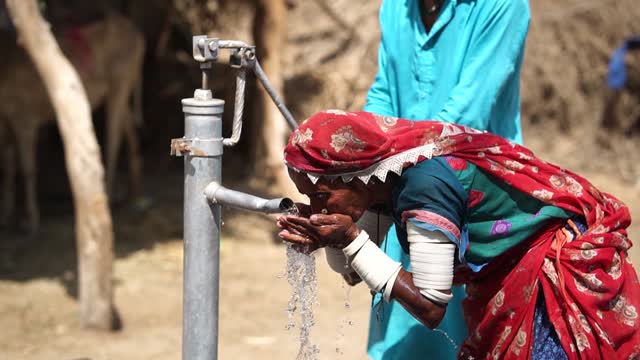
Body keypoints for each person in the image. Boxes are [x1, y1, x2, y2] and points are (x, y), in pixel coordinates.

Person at [277, 110, 640, 359]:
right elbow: (355, 274)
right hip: (510, 268)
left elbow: (431, 306)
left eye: (321, 196)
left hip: (551, 277)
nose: (316, 206)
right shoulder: (381, 178)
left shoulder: (424, 185)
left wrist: (348, 239)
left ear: (354, 174)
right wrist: (330, 237)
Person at [362, 0, 530, 357]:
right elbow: (384, 92)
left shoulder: (502, 6)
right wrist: (356, 152)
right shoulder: (397, 7)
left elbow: (468, 110)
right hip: (405, 195)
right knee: (400, 342)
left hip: (480, 208)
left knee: (469, 336)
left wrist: (390, 161)